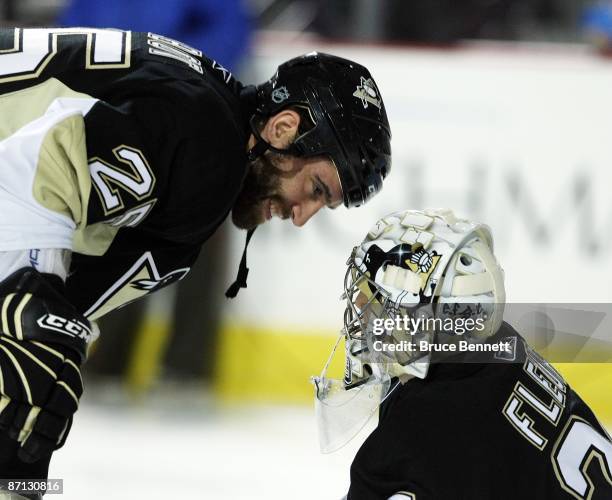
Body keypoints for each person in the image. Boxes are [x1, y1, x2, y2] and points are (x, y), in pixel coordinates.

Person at [0, 28, 391, 499]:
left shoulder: (208, 117)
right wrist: (31, 300)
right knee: (33, 371)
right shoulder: (205, 140)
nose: (301, 216)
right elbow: (44, 155)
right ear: (283, 128)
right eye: (315, 189)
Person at [313, 209, 612, 500]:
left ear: (419, 320)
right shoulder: (502, 349)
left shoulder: (417, 441)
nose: (360, 306)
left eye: (375, 297)